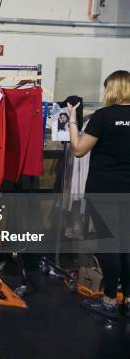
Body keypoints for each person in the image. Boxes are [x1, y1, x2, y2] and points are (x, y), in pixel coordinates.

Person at [68, 70, 130, 318]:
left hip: (104, 188)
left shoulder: (104, 116)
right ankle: (127, 298)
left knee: (109, 243)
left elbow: (78, 150)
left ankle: (109, 301)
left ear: (112, 88)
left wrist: (72, 119)